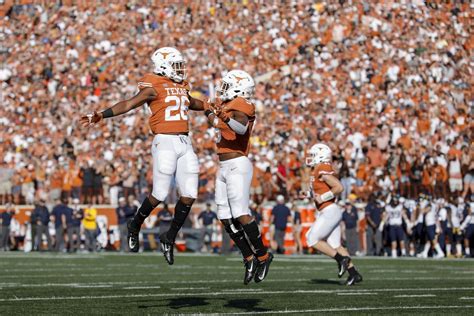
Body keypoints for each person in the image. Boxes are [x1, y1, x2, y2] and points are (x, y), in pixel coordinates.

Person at [81, 47, 207, 265]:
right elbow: (129, 103)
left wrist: (209, 106)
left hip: (185, 142)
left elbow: (190, 102)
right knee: (159, 193)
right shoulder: (153, 85)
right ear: (163, 66)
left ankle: (169, 237)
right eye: (176, 65)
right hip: (164, 140)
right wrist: (102, 114)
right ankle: (135, 223)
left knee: (190, 194)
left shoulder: (181, 85)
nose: (180, 69)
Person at [205, 70, 273, 284]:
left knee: (241, 214)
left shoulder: (242, 104)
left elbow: (241, 128)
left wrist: (221, 115)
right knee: (224, 216)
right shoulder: (226, 104)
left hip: (237, 163)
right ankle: (248, 256)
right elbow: (213, 121)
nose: (222, 89)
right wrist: (208, 109)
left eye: (227, 85)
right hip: (223, 164)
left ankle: (263, 256)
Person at [305, 143, 362, 285]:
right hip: (329, 210)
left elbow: (339, 187)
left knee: (311, 238)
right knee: (335, 245)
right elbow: (321, 190)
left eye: (313, 155)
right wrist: (308, 194)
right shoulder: (317, 169)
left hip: (329, 210)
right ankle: (354, 274)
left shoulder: (322, 168)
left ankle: (341, 260)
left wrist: (322, 198)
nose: (310, 157)